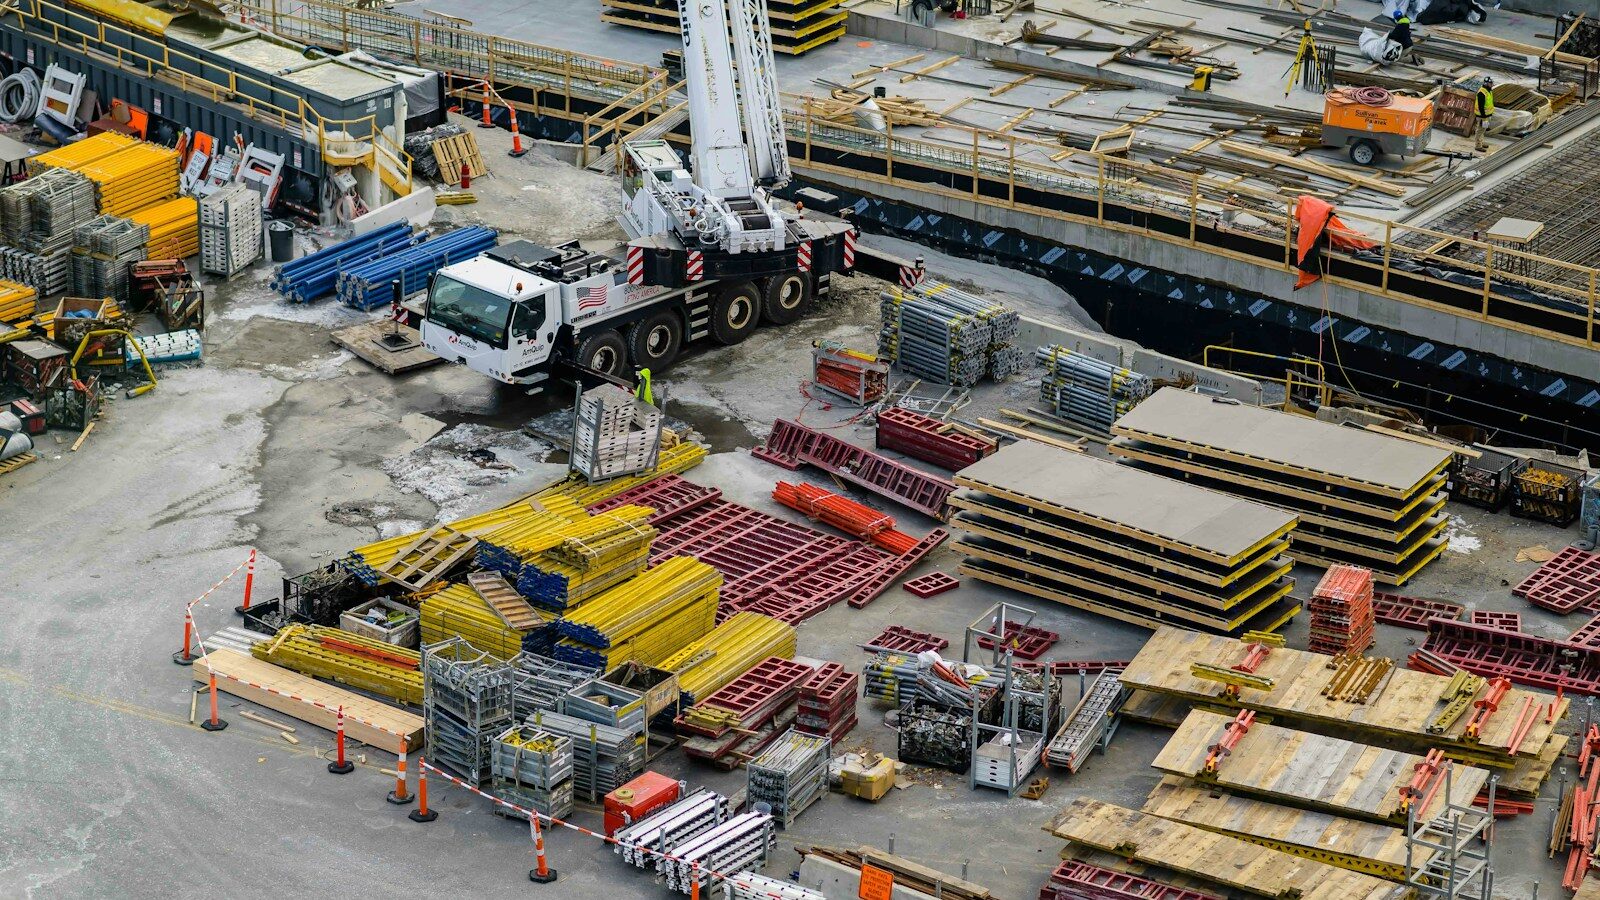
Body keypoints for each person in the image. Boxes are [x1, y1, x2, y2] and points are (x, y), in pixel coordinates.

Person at [1475, 77, 1495, 151]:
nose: (1492, 84)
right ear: (1486, 83)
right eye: (1491, 83)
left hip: (1487, 116)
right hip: (1482, 116)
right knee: (1479, 130)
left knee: (1483, 130)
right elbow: (1481, 106)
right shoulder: (1482, 93)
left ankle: (1481, 142)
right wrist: (1483, 117)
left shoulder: (1488, 91)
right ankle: (1478, 146)